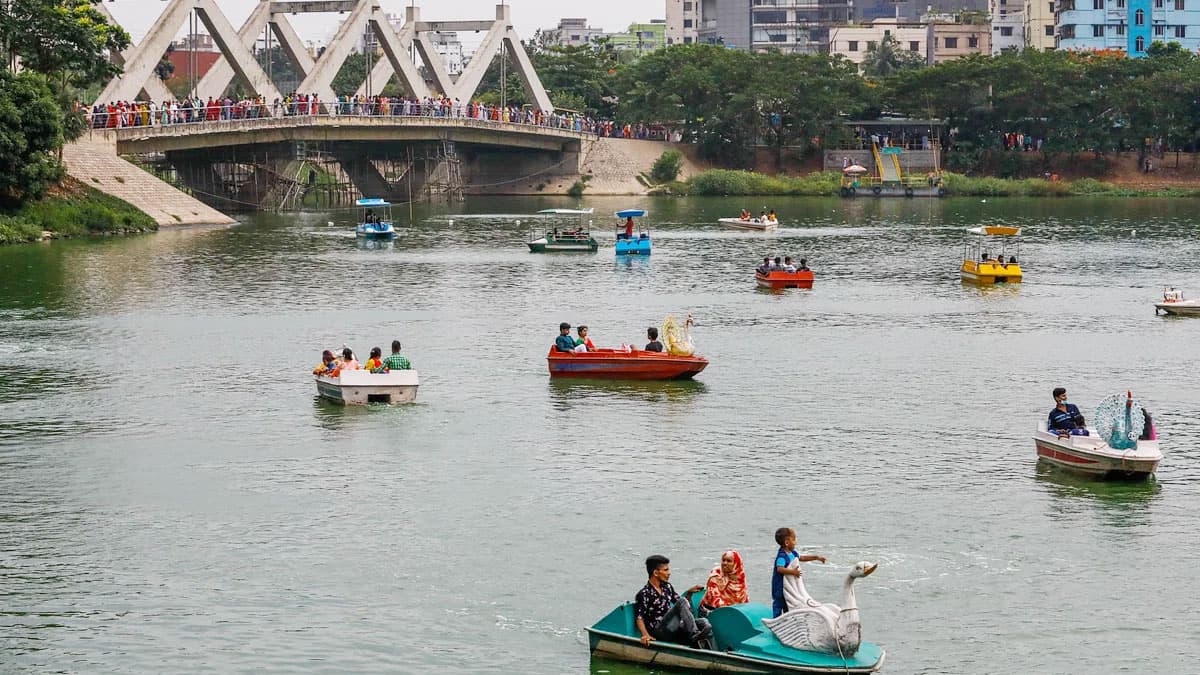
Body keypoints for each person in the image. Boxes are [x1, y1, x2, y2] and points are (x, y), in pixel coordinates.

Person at [634, 555, 714, 650]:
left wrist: (689, 594)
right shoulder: (644, 593)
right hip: (660, 631)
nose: (669, 573)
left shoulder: (667, 587)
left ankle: (714, 652)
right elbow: (639, 617)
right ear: (655, 572)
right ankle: (694, 634)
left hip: (673, 627)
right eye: (666, 570)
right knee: (682, 602)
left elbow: (682, 606)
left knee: (704, 623)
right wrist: (645, 635)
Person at [771, 527, 826, 618]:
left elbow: (802, 558)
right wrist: (793, 572)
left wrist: (816, 557)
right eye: (793, 539)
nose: (795, 541)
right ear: (787, 542)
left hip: (789, 587)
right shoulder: (782, 556)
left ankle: (787, 621)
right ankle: (775, 621)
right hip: (780, 587)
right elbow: (780, 569)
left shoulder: (792, 553)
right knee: (778, 604)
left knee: (787, 605)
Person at [700, 550, 748, 615]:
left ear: (736, 564)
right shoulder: (716, 575)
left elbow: (744, 599)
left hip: (733, 611)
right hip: (711, 610)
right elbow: (715, 599)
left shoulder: (740, 576)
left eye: (729, 561)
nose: (725, 563)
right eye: (723, 560)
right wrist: (730, 611)